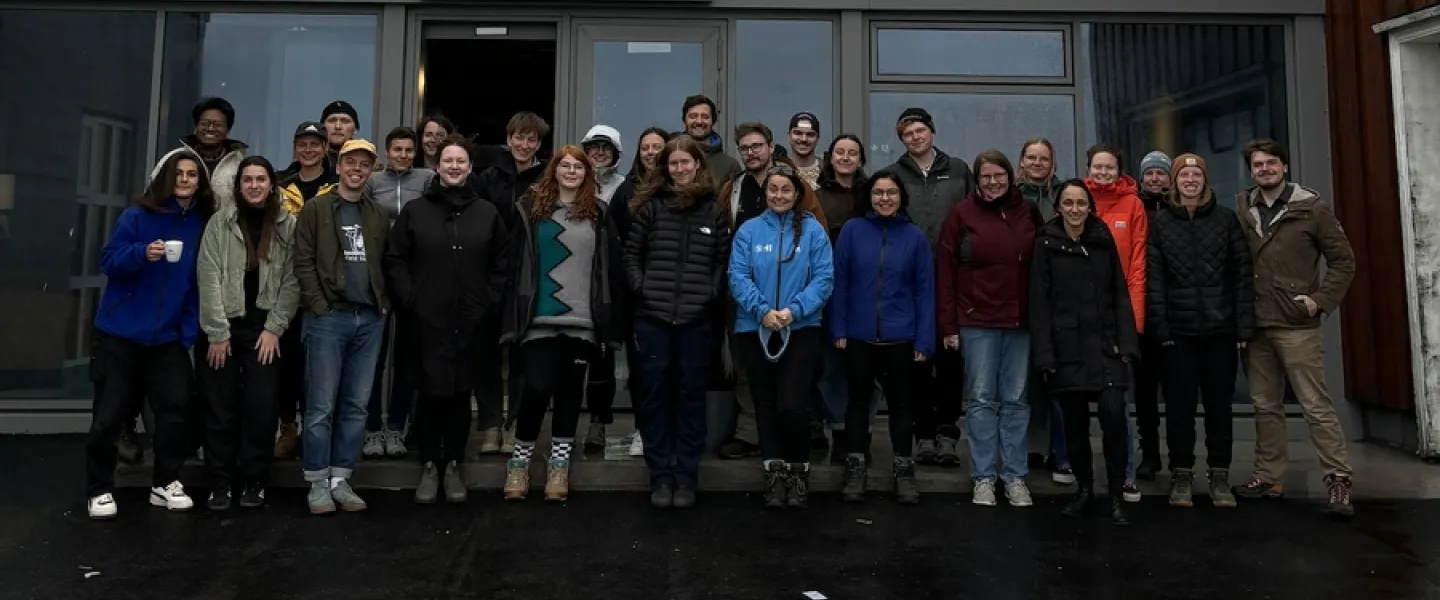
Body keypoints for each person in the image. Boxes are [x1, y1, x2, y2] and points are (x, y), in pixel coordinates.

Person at [85, 150, 213, 520]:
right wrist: (143, 253)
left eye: (193, 174)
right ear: (165, 178)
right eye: (179, 173)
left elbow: (195, 283)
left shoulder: (201, 224)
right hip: (120, 334)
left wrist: (186, 331)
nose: (186, 179)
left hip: (168, 338)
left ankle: (165, 482)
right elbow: (109, 261)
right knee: (109, 415)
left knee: (175, 412)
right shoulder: (137, 216)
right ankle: (99, 488)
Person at [1233, 139, 1357, 518]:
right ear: (1251, 171)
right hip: (1256, 325)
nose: (1265, 169)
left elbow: (1344, 261)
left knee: (1315, 405)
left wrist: (1319, 300)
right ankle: (1269, 477)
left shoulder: (1312, 208)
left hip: (1296, 324)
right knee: (1265, 406)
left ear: (1284, 167)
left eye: (1271, 163)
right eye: (1258, 165)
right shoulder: (1243, 207)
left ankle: (1338, 479)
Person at [385, 134, 509, 505]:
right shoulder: (416, 210)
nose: (454, 167)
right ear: (437, 167)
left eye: (461, 161)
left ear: (470, 168)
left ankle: (453, 464)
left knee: (459, 394)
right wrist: (411, 298)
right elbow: (394, 259)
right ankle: (428, 465)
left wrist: (489, 300)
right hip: (425, 320)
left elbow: (503, 263)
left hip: (472, 322)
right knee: (429, 392)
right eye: (447, 161)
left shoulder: (487, 213)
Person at [499, 146, 625, 503]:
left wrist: (608, 319)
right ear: (553, 170)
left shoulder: (598, 213)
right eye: (564, 166)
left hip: (582, 320)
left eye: (578, 167)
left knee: (570, 395)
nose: (571, 171)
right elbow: (514, 264)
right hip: (537, 318)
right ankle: (519, 462)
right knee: (537, 387)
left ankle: (559, 466)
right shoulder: (530, 209)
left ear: (588, 173)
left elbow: (609, 268)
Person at [624, 136, 732, 509]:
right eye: (673, 164)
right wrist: (642, 290)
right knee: (654, 399)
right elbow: (631, 256)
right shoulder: (650, 208)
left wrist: (709, 293)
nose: (680, 169)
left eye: (686, 162)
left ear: (698, 165)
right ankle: (660, 477)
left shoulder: (713, 212)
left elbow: (722, 260)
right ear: (665, 168)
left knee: (690, 399)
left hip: (695, 321)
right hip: (652, 320)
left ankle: (686, 477)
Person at [715, 122, 829, 461]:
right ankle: (753, 438)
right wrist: (756, 305)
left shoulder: (801, 190)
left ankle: (802, 440)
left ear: (770, 146)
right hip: (749, 303)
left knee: (794, 384)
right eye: (745, 148)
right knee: (750, 377)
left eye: (757, 146)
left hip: (797, 310)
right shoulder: (733, 189)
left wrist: (795, 308)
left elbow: (819, 252)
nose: (751, 153)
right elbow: (729, 247)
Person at [1030, 179, 1138, 526]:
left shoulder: (1102, 241)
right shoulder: (1046, 243)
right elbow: (1039, 303)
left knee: (1114, 418)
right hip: (1066, 349)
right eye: (1068, 203)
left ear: (1089, 207)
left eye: (1081, 203)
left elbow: (1120, 295)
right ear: (1058, 207)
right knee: (1074, 426)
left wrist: (1127, 344)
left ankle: (1117, 494)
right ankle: (1085, 489)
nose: (1075, 209)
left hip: (1106, 346)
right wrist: (1044, 355)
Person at [1147, 153, 1253, 509]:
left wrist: (1242, 325)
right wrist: (1160, 327)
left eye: (1195, 174)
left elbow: (1241, 275)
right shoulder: (1161, 224)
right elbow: (1155, 281)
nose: (1189, 180)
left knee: (1219, 407)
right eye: (1183, 175)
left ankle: (1219, 476)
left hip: (1220, 330)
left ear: (1204, 180)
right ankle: (1181, 475)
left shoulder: (1225, 220)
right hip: (1178, 333)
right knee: (1179, 409)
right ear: (1174, 182)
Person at [937, 149, 1041, 508]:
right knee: (981, 400)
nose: (993, 182)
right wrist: (948, 324)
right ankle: (983, 477)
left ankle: (1014, 476)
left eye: (999, 176)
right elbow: (945, 271)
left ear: (1010, 177)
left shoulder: (1028, 211)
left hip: (1020, 322)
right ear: (976, 180)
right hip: (977, 320)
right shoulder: (962, 214)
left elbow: (1042, 268)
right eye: (986, 177)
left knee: (1015, 401)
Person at [728, 162, 834, 509]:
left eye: (786, 189)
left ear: (797, 193)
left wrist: (792, 312)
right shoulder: (748, 230)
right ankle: (773, 473)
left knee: (793, 404)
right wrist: (762, 311)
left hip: (800, 328)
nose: (779, 195)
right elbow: (737, 276)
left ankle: (798, 471)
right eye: (773, 189)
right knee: (765, 405)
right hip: (754, 328)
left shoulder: (814, 232)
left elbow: (823, 280)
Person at [293, 139, 390, 515]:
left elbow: (385, 263)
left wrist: (384, 305)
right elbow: (302, 262)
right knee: (320, 406)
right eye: (351, 162)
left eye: (365, 164)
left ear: (370, 171)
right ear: (339, 166)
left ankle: (341, 479)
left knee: (356, 405)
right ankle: (317, 482)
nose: (357, 169)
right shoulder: (316, 209)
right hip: (328, 318)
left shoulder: (377, 214)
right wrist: (318, 307)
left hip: (368, 319)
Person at [196, 156, 298, 511]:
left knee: (261, 407)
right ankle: (220, 483)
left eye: (261, 179)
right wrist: (216, 332)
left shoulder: (287, 225)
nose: (254, 185)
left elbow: (292, 281)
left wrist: (274, 329)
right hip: (224, 328)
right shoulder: (219, 224)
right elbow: (207, 277)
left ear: (272, 184)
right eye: (248, 180)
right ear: (238, 186)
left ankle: (255, 480)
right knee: (219, 408)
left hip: (264, 330)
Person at [832, 171, 934, 505]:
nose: (885, 198)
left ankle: (904, 470)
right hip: (859, 337)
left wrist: (924, 341)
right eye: (878, 192)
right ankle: (855, 467)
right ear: (869, 196)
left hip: (901, 339)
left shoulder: (915, 237)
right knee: (858, 404)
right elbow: (840, 283)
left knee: (902, 406)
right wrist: (839, 329)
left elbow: (924, 292)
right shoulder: (852, 230)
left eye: (891, 193)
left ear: (902, 197)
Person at [887, 108, 972, 466]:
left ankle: (947, 433)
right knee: (916, 361)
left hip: (953, 280)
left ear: (932, 132)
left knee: (952, 360)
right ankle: (922, 434)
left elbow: (972, 218)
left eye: (920, 130)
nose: (915, 138)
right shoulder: (893, 174)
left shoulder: (958, 170)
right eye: (907, 134)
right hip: (909, 282)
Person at [361, 126, 436, 459]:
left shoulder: (427, 179)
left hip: (413, 275)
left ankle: (397, 427)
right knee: (374, 359)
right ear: (387, 153)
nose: (403, 155)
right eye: (397, 150)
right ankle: (373, 429)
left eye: (409, 150)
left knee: (406, 359)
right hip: (377, 275)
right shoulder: (373, 183)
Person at [1083, 143, 1149, 502]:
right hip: (1081, 316)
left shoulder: (1133, 204)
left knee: (1118, 404)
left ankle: (1125, 475)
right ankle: (1073, 469)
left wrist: (1134, 323)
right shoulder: (1078, 200)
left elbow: (1138, 265)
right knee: (1075, 398)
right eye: (1097, 166)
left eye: (1109, 167)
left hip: (1117, 316)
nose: (1103, 172)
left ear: (1119, 170)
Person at [274, 121, 338, 459]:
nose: (308, 150)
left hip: (325, 286)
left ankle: (318, 431)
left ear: (325, 148)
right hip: (286, 284)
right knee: (287, 363)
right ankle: (288, 427)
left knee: (320, 367)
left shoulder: (337, 185)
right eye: (302, 144)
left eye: (315, 144)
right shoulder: (280, 184)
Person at [814, 134, 880, 458]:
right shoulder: (816, 197)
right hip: (828, 291)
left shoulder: (871, 195)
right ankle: (839, 432)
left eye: (852, 153)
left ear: (860, 158)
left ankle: (863, 432)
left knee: (867, 368)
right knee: (832, 367)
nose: (845, 158)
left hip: (868, 292)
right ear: (830, 157)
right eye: (839, 152)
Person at [1015, 137, 1071, 483]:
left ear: (1053, 163)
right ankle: (1032, 447)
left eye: (1043, 158)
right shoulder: (1012, 198)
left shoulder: (1064, 196)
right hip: (1022, 297)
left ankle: (1059, 450)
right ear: (1021, 162)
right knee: (1025, 381)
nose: (1037, 163)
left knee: (1058, 379)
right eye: (1031, 157)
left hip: (1061, 299)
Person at [580, 124, 637, 449]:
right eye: (593, 147)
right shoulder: (571, 182)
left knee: (602, 358)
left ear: (616, 154)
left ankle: (598, 423)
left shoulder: (625, 188)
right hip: (575, 282)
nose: (599, 153)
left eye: (606, 148)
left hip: (610, 285)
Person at [1133, 150, 1172, 482]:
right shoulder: (1135, 207)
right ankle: (1150, 453)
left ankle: (1178, 456)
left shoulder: (1178, 210)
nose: (1155, 179)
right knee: (1144, 391)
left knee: (1175, 389)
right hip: (1142, 309)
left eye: (1161, 173)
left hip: (1174, 312)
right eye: (1150, 174)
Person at [154, 97, 247, 207]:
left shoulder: (241, 163)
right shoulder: (173, 158)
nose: (211, 129)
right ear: (195, 127)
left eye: (218, 125)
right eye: (205, 123)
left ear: (228, 131)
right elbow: (153, 193)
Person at [472, 111, 549, 230]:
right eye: (519, 138)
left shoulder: (547, 179)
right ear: (509, 140)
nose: (524, 145)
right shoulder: (489, 177)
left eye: (531, 140)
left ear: (538, 145)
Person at [680, 94, 741, 186]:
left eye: (705, 117)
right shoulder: (670, 159)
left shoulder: (730, 166)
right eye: (693, 116)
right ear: (684, 121)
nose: (699, 121)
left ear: (713, 122)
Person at [787, 112, 823, 189]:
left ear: (817, 139)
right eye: (798, 133)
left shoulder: (828, 171)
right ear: (789, 136)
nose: (804, 139)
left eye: (810, 134)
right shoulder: (777, 168)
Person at [321, 100, 360, 165]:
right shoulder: (308, 159)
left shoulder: (369, 163)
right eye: (332, 121)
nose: (337, 126)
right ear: (322, 127)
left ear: (356, 129)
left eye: (345, 121)